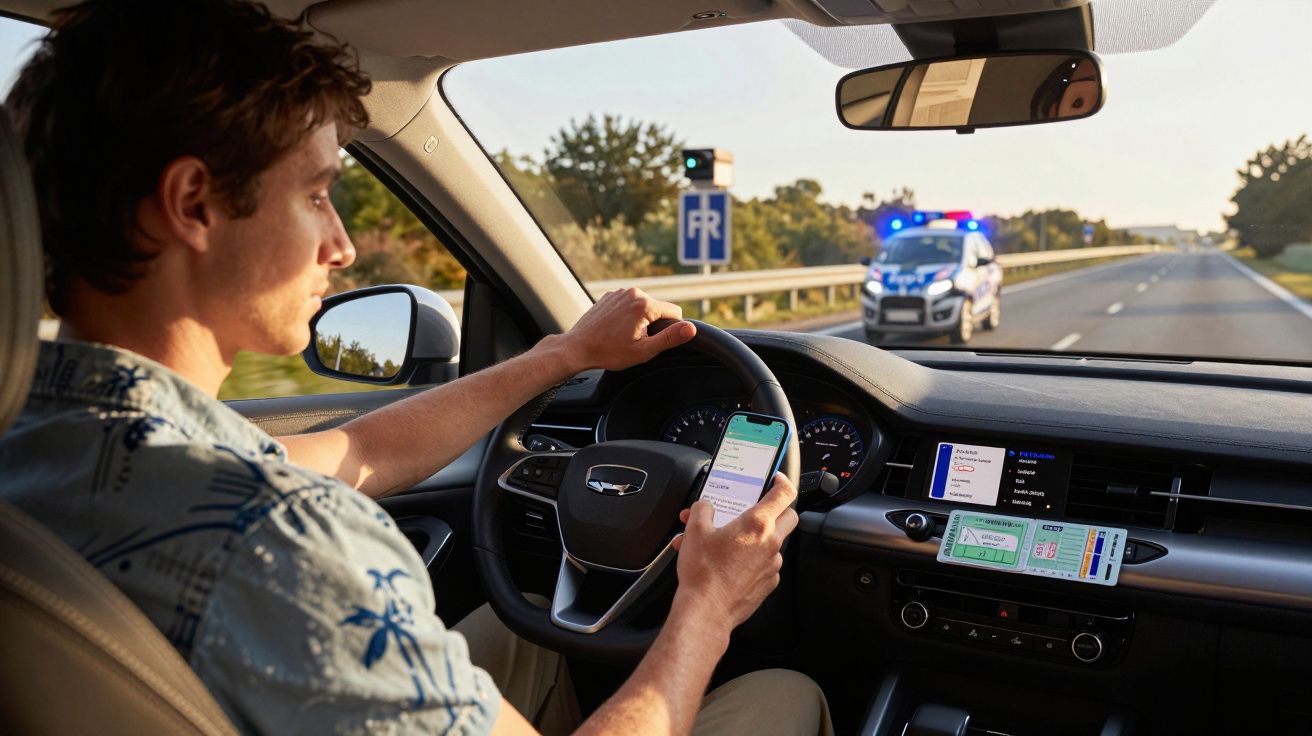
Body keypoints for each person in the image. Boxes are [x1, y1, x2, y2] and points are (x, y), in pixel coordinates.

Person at [0, 1, 832, 734]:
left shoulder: (56, 440)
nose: (343, 243)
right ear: (194, 205)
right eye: (319, 193)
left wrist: (565, 355)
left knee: (520, 634)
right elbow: (302, 498)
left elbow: (363, 450)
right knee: (786, 695)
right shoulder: (278, 544)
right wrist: (705, 607)